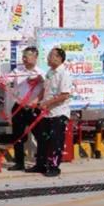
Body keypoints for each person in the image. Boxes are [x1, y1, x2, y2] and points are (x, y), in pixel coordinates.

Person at [28, 47, 72, 177]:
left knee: (55, 141)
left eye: (51, 55)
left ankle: (54, 167)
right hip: (47, 113)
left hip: (58, 113)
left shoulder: (64, 74)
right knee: (42, 139)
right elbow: (45, 90)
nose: (48, 58)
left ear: (59, 58)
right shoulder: (50, 72)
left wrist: (47, 103)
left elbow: (64, 95)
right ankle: (40, 165)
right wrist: (37, 101)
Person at [7, 46, 43, 171]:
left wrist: (36, 101)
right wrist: (2, 80)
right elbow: (7, 79)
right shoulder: (18, 70)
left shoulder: (41, 73)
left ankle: (40, 163)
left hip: (34, 108)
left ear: (35, 57)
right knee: (17, 136)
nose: (24, 59)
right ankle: (19, 163)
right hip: (19, 107)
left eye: (26, 57)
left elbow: (46, 89)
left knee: (39, 136)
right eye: (23, 57)